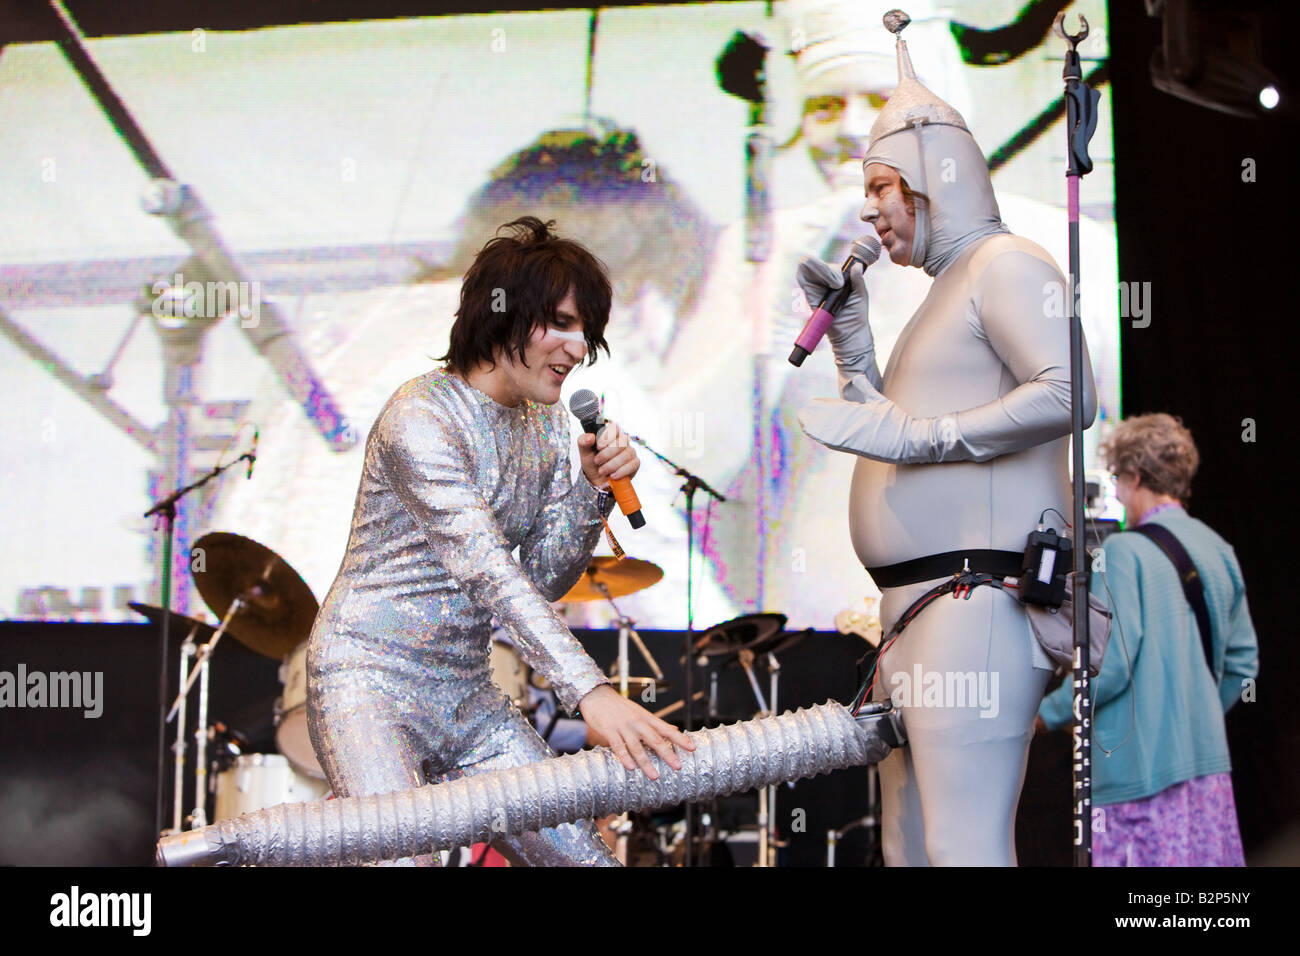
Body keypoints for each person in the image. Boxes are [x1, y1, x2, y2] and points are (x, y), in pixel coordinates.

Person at [793, 16, 1097, 865]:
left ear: (938, 177)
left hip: (977, 599)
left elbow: (1073, 391)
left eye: (885, 184)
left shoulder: (1006, 263)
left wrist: (927, 436)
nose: (870, 207)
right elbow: (892, 435)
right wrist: (855, 349)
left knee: (962, 845)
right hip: (918, 606)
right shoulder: (941, 292)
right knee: (911, 844)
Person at [306, 217, 694, 866]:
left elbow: (538, 578)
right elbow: (487, 569)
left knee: (587, 860)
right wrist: (590, 695)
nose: (579, 349)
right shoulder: (420, 418)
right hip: (368, 680)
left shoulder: (542, 426)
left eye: (586, 333)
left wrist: (592, 491)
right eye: (563, 325)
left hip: (465, 693)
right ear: (505, 317)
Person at [1036, 413, 1259, 866]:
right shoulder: (1219, 548)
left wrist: (1045, 713)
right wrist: (1191, 717)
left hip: (1137, 775)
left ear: (1136, 475)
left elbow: (1110, 665)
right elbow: (1242, 664)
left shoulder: (1123, 552)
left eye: (1118, 479)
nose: (1116, 492)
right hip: (1208, 770)